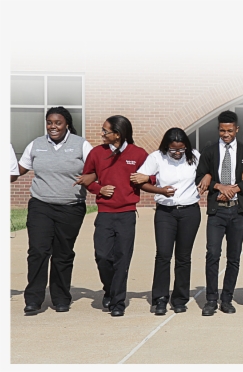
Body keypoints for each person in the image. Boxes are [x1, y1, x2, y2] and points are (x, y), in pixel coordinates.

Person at [16, 107, 93, 313]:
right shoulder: (36, 144)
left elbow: (97, 170)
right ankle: (33, 299)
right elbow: (18, 170)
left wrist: (91, 178)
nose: (53, 126)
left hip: (71, 208)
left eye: (57, 123)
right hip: (41, 205)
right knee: (38, 251)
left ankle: (61, 298)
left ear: (66, 124)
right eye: (49, 122)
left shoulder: (81, 144)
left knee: (63, 253)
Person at [82, 115, 149, 317]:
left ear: (118, 134)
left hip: (127, 214)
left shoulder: (138, 154)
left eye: (105, 131)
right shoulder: (96, 153)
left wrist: (146, 177)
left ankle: (118, 301)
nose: (102, 134)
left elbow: (152, 175)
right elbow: (87, 179)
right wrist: (98, 189)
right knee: (102, 256)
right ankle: (109, 289)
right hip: (105, 214)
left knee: (122, 258)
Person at [130, 128, 201, 315]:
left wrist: (207, 178)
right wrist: (160, 191)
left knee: (184, 257)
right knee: (163, 254)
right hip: (165, 212)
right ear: (166, 147)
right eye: (173, 150)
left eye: (181, 149)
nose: (177, 153)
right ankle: (160, 298)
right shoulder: (156, 158)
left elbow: (207, 173)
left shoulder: (194, 156)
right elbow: (139, 181)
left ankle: (179, 298)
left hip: (189, 212)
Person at [194, 110, 243, 316]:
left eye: (230, 130)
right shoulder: (210, 151)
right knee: (212, 254)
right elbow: (201, 177)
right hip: (217, 212)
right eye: (222, 130)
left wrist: (234, 189)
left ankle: (227, 299)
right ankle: (211, 299)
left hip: (237, 212)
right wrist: (220, 186)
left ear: (236, 129)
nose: (226, 134)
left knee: (234, 257)